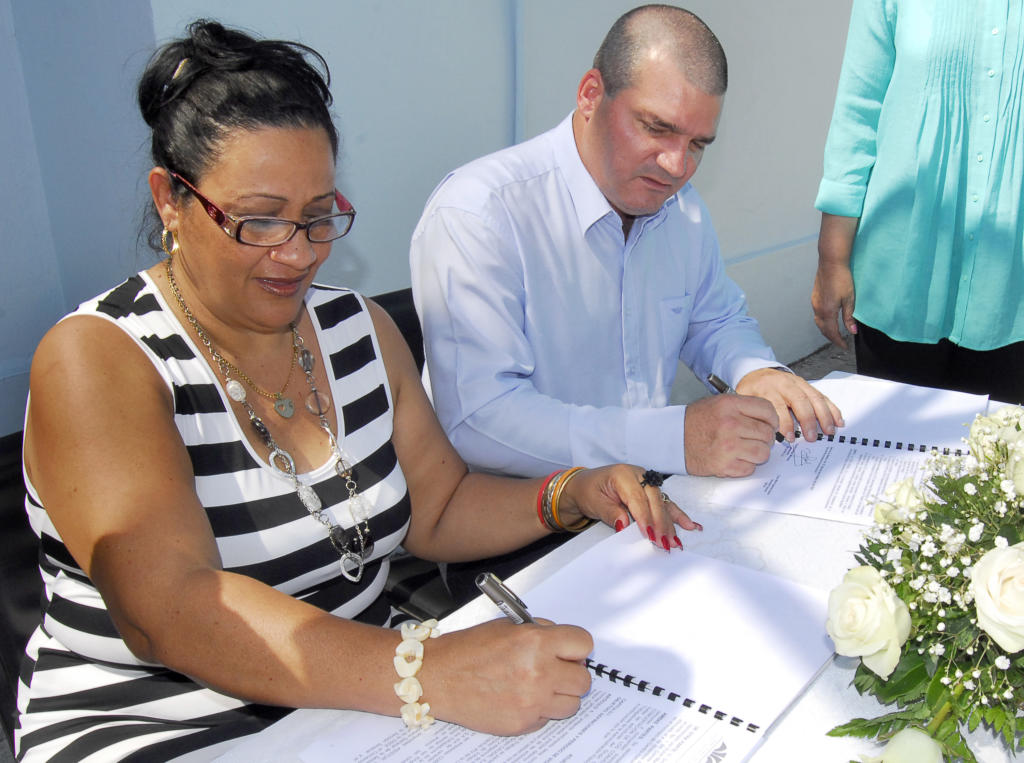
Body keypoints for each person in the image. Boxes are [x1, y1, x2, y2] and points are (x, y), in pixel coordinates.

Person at [14, 21, 698, 761]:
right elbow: (171, 609)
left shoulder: (355, 326)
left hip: (355, 707)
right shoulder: (98, 358)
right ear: (172, 200)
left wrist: (568, 492)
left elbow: (437, 506)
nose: (298, 252)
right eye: (259, 219)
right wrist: (426, 671)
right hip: (161, 724)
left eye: (317, 216)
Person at [410, 4, 842, 485]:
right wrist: (673, 438)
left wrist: (754, 370)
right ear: (591, 95)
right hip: (519, 520)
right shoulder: (480, 214)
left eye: (698, 144)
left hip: (647, 492)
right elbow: (480, 421)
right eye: (657, 128)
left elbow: (713, 318)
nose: (677, 166)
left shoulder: (681, 208)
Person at [812, 0, 1024, 402]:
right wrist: (832, 260)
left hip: (1012, 293)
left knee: (999, 458)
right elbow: (858, 115)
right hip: (900, 275)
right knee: (891, 456)